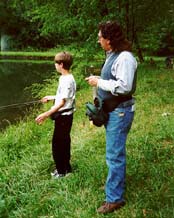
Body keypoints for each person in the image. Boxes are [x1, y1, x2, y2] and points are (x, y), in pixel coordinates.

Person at [85, 21, 137, 214]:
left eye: (100, 37)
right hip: (113, 111)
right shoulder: (112, 55)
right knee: (113, 152)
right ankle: (113, 185)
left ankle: (114, 198)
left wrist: (99, 81)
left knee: (115, 155)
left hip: (120, 111)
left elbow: (124, 86)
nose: (98, 40)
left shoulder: (125, 58)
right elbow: (112, 80)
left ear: (109, 39)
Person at [35, 51, 76, 178]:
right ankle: (66, 169)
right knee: (63, 142)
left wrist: (46, 114)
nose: (55, 65)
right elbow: (64, 96)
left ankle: (61, 172)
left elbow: (62, 102)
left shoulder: (67, 80)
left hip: (64, 117)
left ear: (61, 64)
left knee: (58, 145)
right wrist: (51, 97)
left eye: (56, 63)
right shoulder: (65, 78)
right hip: (64, 117)